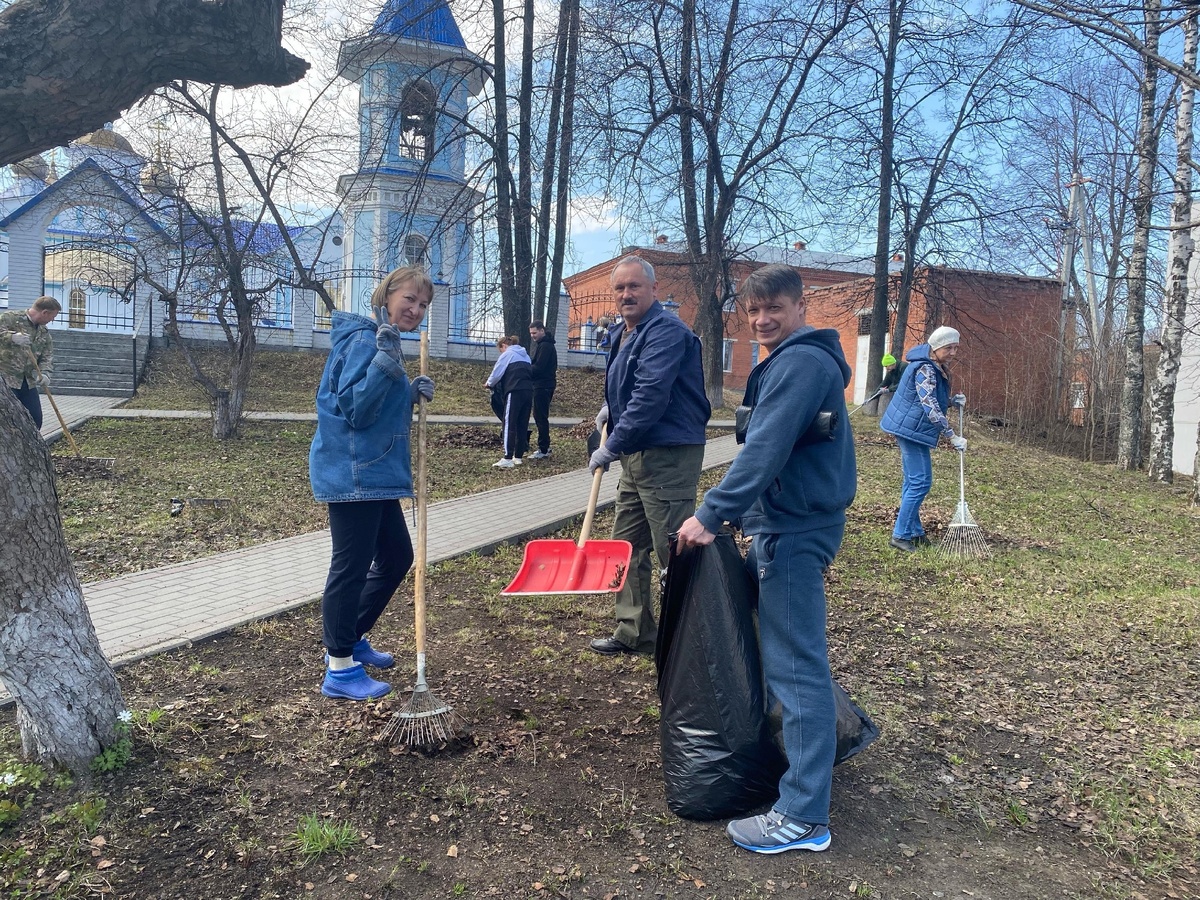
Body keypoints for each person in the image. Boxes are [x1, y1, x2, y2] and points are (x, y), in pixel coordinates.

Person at [676, 264, 855, 855]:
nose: (762, 320)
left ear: (802, 306)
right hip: (785, 522)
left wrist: (711, 511)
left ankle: (805, 816)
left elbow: (769, 447)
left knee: (795, 664)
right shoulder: (787, 359)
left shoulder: (802, 362)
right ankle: (833, 742)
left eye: (774, 307)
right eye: (753, 312)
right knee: (783, 647)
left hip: (796, 531)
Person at [308, 266, 435, 701]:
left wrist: (408, 391)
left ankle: (352, 633)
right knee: (350, 567)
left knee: (398, 556)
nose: (416, 310)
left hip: (374, 474)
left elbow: (374, 405)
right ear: (387, 295)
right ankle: (340, 668)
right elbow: (357, 410)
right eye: (409, 299)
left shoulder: (383, 340)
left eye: (423, 305)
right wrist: (386, 364)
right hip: (355, 474)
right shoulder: (367, 339)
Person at [588, 256, 710, 656]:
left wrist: (611, 445)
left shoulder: (667, 331)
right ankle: (634, 631)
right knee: (626, 544)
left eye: (634, 286)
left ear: (653, 289)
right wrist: (611, 409)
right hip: (638, 453)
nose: (626, 294)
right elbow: (630, 388)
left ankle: (696, 639)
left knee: (674, 548)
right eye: (620, 288)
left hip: (669, 454)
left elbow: (650, 397)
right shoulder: (627, 332)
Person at [879, 325, 967, 552]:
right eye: (949, 347)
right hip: (910, 429)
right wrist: (952, 435)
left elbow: (929, 399)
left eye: (956, 347)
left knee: (913, 481)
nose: (953, 352)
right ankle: (900, 535)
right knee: (920, 482)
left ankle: (914, 532)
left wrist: (952, 401)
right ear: (936, 348)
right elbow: (929, 406)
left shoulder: (931, 365)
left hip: (910, 426)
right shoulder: (925, 369)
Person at [0, 295, 62, 429]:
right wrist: (11, 338)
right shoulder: (10, 318)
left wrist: (45, 374)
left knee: (35, 419)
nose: (53, 320)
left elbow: (47, 356)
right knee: (7, 420)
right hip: (5, 380)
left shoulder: (43, 332)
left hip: (27, 382)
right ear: (45, 312)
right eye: (53, 316)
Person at [485, 335, 534, 469]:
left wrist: (489, 383)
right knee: (522, 423)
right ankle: (518, 456)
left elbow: (497, 372)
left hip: (514, 390)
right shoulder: (526, 356)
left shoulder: (508, 354)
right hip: (528, 392)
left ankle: (507, 457)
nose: (501, 353)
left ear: (504, 346)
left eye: (500, 350)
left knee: (509, 422)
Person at [528, 321, 558, 459]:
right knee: (540, 416)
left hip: (543, 385)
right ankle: (544, 447)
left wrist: (526, 369)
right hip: (545, 385)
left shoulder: (545, 346)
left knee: (540, 417)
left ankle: (543, 448)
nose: (532, 336)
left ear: (541, 331)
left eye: (534, 333)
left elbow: (539, 368)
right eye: (531, 333)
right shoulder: (545, 345)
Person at [875, 352, 907, 417]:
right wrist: (874, 395)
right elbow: (884, 383)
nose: (886, 368)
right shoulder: (891, 371)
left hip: (907, 394)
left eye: (887, 366)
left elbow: (903, 384)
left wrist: (888, 390)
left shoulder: (904, 367)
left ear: (892, 363)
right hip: (899, 394)